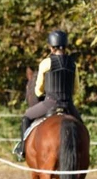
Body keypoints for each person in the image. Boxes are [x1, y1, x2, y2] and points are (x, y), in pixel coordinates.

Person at [14, 30, 82, 159]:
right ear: (65, 46)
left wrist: (43, 94)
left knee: (26, 117)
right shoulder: (73, 64)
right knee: (82, 127)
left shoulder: (46, 63)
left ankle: (22, 149)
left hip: (50, 103)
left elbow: (38, 90)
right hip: (68, 105)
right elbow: (76, 90)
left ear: (51, 47)